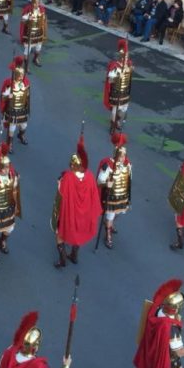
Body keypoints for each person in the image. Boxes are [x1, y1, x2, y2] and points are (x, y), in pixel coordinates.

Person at [52, 135, 101, 268]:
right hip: (84, 214)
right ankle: (74, 255)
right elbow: (94, 196)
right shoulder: (90, 176)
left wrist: (59, 182)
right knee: (79, 233)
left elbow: (60, 194)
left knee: (60, 235)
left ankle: (62, 260)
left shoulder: (67, 177)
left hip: (70, 213)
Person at [96, 133, 132, 250]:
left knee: (117, 213)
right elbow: (99, 182)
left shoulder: (127, 165)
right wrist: (107, 183)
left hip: (121, 195)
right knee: (111, 215)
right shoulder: (108, 165)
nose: (123, 158)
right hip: (110, 196)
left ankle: (109, 225)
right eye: (121, 156)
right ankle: (108, 235)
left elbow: (128, 179)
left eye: (124, 156)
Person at [0, 57, 31, 152]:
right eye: (20, 75)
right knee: (12, 128)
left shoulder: (25, 83)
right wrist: (8, 96)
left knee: (24, 126)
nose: (22, 77)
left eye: (23, 75)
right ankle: (10, 143)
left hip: (22, 109)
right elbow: (3, 97)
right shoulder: (10, 85)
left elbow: (27, 97)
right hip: (13, 110)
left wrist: (27, 107)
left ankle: (21, 135)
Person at [104, 39, 133, 134]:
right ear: (121, 57)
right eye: (125, 56)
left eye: (127, 56)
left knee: (123, 110)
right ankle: (112, 125)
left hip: (125, 91)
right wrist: (118, 77)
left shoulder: (129, 65)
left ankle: (117, 121)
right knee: (115, 111)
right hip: (116, 92)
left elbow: (130, 74)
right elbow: (111, 80)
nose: (126, 58)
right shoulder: (115, 66)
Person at [20, 0, 47, 67]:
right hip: (30, 33)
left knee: (38, 49)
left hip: (39, 33)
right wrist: (28, 18)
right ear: (33, 3)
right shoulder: (29, 10)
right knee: (27, 50)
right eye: (35, 3)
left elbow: (44, 20)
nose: (37, 4)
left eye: (38, 2)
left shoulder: (41, 10)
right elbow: (23, 19)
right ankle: (26, 65)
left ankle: (35, 59)